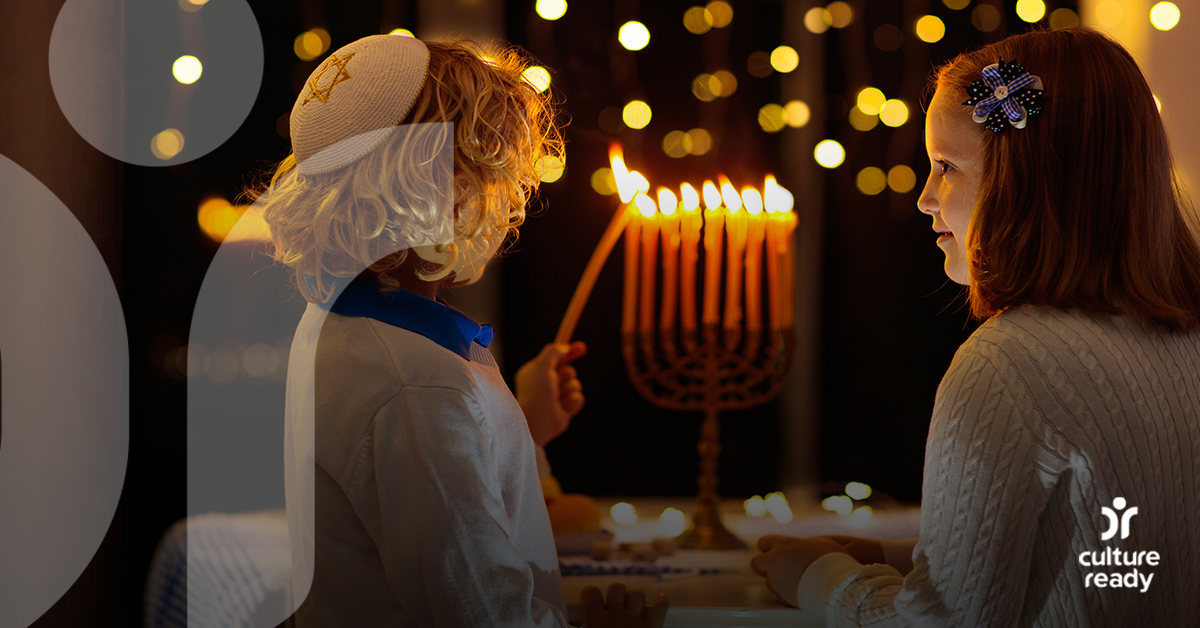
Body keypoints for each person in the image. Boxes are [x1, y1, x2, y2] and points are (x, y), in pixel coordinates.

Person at [751, 27, 1200, 626]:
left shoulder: (1013, 363)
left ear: (1027, 182)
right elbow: (1118, 563)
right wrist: (897, 556)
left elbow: (940, 625)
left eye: (947, 166)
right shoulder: (1186, 341)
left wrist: (819, 579)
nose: (926, 198)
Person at [252, 34, 668, 627]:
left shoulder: (345, 328)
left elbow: (431, 500)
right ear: (448, 192)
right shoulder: (416, 384)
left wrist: (525, 426)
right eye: (499, 177)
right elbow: (482, 608)